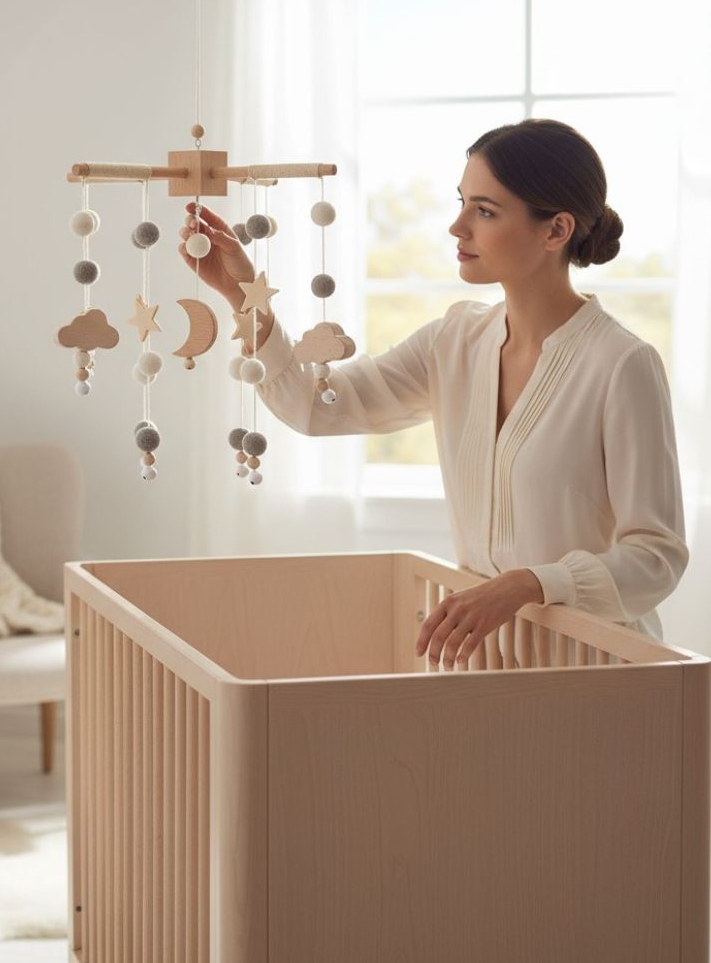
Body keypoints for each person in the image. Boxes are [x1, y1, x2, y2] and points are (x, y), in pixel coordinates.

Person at [177, 118, 688, 666]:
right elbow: (314, 408)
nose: (456, 227)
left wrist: (527, 584)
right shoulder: (455, 340)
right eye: (462, 202)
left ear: (556, 231)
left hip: (601, 673)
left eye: (485, 211)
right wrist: (241, 295)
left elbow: (655, 558)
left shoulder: (621, 364)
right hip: (484, 668)